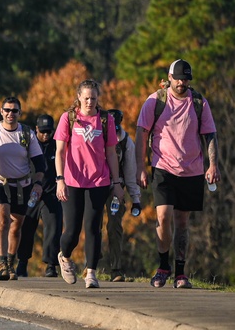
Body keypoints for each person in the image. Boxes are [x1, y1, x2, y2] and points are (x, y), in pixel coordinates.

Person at [134, 59, 220, 289]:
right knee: (163, 217)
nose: (182, 83)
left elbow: (210, 134)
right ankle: (163, 267)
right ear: (169, 77)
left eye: (186, 79)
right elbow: (141, 133)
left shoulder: (199, 102)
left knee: (182, 222)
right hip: (163, 167)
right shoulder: (156, 101)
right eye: (178, 78)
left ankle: (180, 273)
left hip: (192, 169)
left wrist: (213, 165)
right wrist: (140, 167)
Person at [53, 79, 124, 288]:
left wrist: (117, 182)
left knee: (93, 227)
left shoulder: (105, 119)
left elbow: (111, 152)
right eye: (86, 98)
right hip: (73, 180)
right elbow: (59, 151)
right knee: (72, 231)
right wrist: (60, 179)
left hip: (98, 180)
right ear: (78, 97)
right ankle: (65, 257)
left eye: (93, 98)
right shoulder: (69, 118)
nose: (90, 102)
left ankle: (91, 271)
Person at [0, 97, 46, 280]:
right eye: (7, 110)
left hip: (22, 185)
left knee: (16, 226)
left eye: (14, 111)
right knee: (2, 222)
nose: (10, 114)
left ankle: (11, 264)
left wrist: (37, 184)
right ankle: (2, 264)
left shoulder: (27, 134)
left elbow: (40, 165)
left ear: (20, 113)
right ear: (1, 111)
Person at [17, 114, 63, 278]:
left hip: (51, 193)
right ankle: (22, 262)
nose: (45, 135)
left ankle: (51, 265)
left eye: (49, 132)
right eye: (42, 131)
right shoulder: (28, 144)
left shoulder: (57, 145)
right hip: (30, 193)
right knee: (26, 228)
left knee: (53, 227)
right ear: (36, 129)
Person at [105, 109, 142, 282]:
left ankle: (116, 268)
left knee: (114, 226)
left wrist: (136, 199)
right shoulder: (96, 135)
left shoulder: (126, 141)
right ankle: (90, 264)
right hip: (93, 185)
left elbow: (130, 172)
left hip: (116, 187)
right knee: (92, 225)